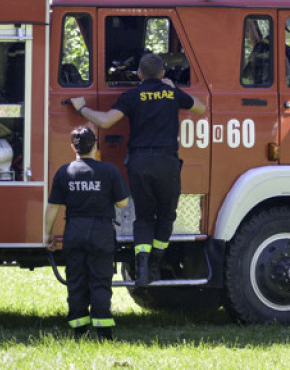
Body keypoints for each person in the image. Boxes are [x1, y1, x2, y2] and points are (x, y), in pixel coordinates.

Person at [69, 54, 206, 287]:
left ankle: (141, 268)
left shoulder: (132, 96)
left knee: (143, 217)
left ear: (139, 75)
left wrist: (81, 108)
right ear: (163, 73)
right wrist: (172, 86)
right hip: (167, 163)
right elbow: (200, 108)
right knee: (166, 216)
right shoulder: (172, 94)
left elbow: (104, 121)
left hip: (140, 164)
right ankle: (155, 265)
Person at [45, 126, 130, 340]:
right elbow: (122, 203)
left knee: (76, 281)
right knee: (100, 280)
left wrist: (47, 234)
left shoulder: (64, 172)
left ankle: (79, 331)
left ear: (72, 147)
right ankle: (103, 333)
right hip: (101, 231)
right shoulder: (109, 171)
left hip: (74, 230)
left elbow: (53, 206)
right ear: (95, 145)